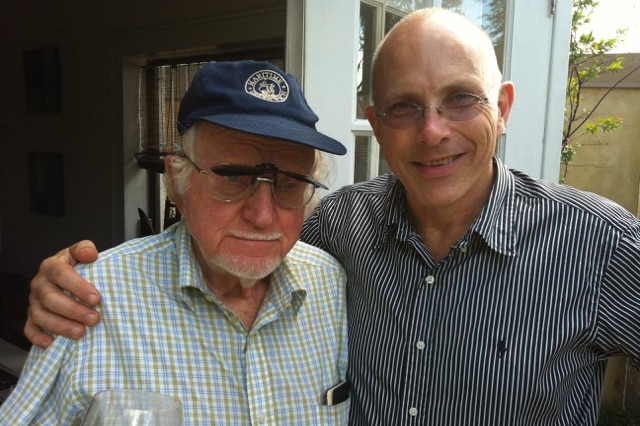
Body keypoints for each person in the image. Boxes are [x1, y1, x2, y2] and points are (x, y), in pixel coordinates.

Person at [23, 7, 640, 426]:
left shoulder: (601, 243)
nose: (432, 131)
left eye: (461, 99)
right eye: (404, 106)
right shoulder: (338, 234)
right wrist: (64, 281)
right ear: (177, 178)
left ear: (502, 108)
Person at [1, 60, 351, 425]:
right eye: (232, 177)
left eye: (290, 183)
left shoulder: (332, 286)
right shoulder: (90, 299)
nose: (263, 216)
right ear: (176, 182)